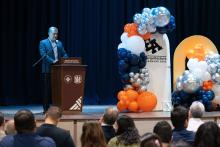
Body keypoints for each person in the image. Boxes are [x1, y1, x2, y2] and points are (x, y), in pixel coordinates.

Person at [39, 26, 68, 112]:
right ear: (49, 33)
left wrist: (66, 59)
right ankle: (46, 109)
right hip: (47, 70)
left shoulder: (59, 43)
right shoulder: (43, 42)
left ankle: (57, 108)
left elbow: (64, 53)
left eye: (56, 34)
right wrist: (53, 61)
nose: (55, 35)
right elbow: (43, 55)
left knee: (58, 89)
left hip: (58, 70)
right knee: (47, 90)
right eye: (53, 34)